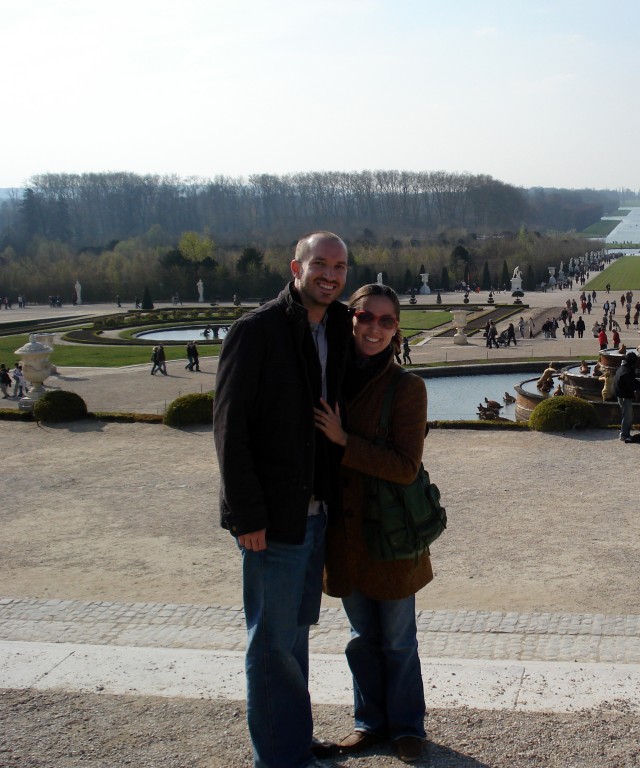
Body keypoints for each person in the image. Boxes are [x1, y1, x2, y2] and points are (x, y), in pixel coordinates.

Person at [214, 231, 351, 768]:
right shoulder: (256, 331)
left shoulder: (337, 325)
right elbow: (231, 430)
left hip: (315, 513)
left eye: (339, 267)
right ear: (296, 268)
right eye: (320, 264)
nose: (330, 275)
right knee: (272, 644)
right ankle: (280, 758)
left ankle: (289, 740)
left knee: (293, 638)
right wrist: (246, 516)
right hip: (272, 518)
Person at [314, 283, 431, 764]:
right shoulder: (327, 378)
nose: (374, 328)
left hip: (391, 535)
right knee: (362, 640)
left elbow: (405, 466)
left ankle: (406, 727)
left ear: (396, 329)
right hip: (343, 534)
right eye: (365, 317)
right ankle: (369, 722)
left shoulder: (407, 387)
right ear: (352, 319)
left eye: (386, 320)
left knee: (398, 641)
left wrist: (344, 441)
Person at [613, 352, 640, 442]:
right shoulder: (628, 371)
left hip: (620, 394)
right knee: (627, 416)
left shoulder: (621, 368)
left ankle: (625, 433)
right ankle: (624, 435)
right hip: (625, 395)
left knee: (626, 415)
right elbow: (631, 383)